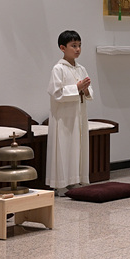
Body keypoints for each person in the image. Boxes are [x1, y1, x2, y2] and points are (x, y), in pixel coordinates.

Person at [47, 30, 93, 196]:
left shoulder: (81, 68)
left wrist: (85, 90)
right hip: (63, 117)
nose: (78, 49)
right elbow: (56, 93)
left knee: (77, 147)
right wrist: (77, 88)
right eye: (73, 46)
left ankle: (75, 180)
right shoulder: (58, 69)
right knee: (64, 147)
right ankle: (60, 184)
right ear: (62, 48)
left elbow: (89, 93)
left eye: (79, 45)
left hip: (78, 115)